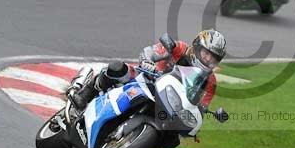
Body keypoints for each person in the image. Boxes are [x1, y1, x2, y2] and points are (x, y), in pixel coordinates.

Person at [69, 29, 227, 114]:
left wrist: (203, 111)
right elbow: (150, 52)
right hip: (147, 79)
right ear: (197, 47)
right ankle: (86, 92)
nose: (208, 59)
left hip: (168, 100)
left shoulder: (210, 82)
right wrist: (147, 62)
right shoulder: (179, 48)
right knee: (118, 68)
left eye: (213, 58)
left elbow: (202, 106)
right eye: (206, 53)